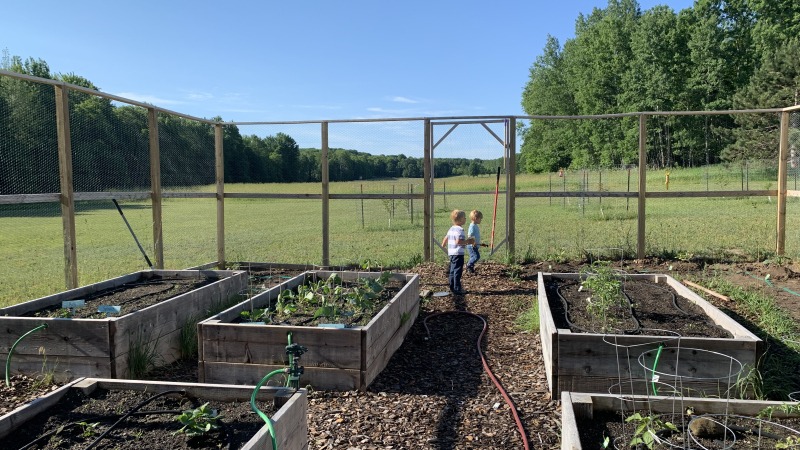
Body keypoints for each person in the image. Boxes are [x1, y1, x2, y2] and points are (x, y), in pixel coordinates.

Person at [441, 209, 474, 295]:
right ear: (460, 220)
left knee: (452, 270)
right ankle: (457, 288)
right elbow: (458, 241)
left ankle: (452, 287)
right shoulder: (460, 230)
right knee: (457, 271)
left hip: (451, 253)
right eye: (464, 218)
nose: (465, 219)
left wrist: (443, 245)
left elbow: (446, 238)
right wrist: (467, 241)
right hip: (458, 253)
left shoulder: (451, 228)